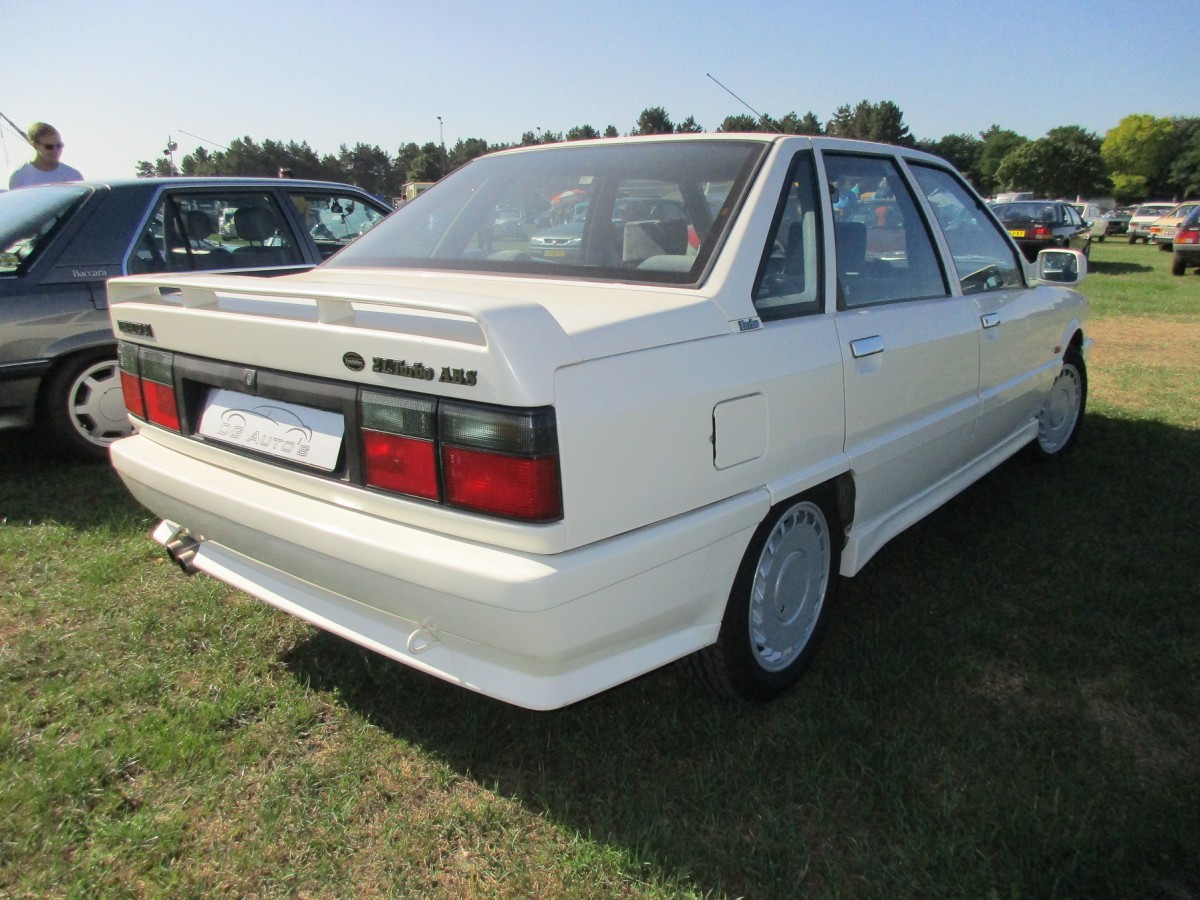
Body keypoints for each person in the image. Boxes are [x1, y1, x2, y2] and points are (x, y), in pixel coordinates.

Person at [8, 122, 83, 189]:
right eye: (49, 147)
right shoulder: (19, 176)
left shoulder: (73, 176)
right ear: (35, 145)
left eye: (59, 145)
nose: (56, 150)